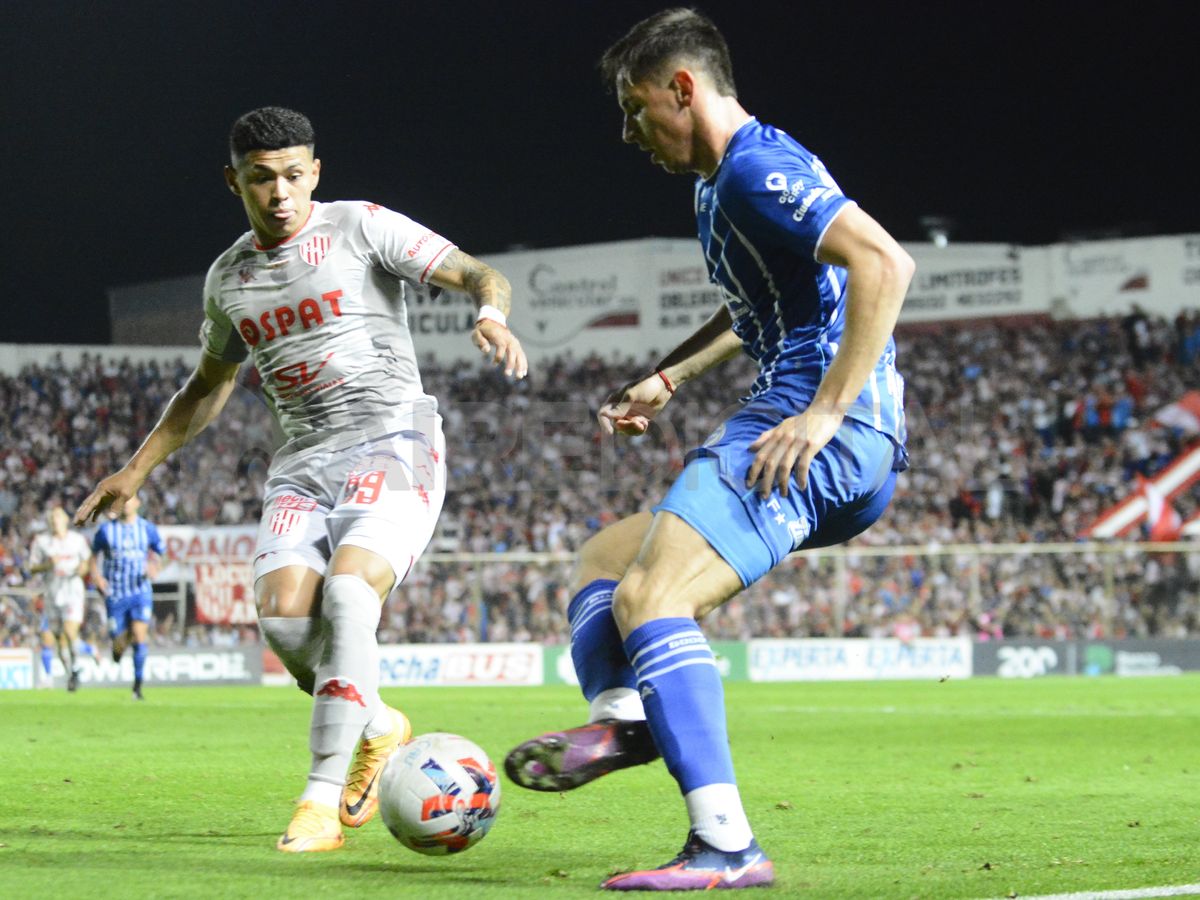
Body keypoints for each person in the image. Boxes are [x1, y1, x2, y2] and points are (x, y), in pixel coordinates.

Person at [504, 9, 913, 891]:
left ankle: (727, 845)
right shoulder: (723, 179)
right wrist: (671, 376)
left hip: (817, 428)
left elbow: (884, 263)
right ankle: (626, 721)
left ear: (681, 89)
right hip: (820, 427)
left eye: (633, 106)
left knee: (651, 598)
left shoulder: (756, 171)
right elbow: (756, 299)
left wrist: (827, 412)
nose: (628, 130)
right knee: (606, 561)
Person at [75, 106, 527, 854]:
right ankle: (378, 725)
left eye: (293, 175)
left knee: (349, 593)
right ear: (235, 182)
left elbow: (479, 271)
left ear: (314, 172)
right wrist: (135, 469)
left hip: (393, 439)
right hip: (304, 463)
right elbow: (206, 386)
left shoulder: (361, 226)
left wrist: (490, 312)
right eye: (261, 179)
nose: (280, 192)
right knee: (287, 624)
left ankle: (317, 802)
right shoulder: (230, 279)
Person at [88, 495, 164, 700]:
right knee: (119, 647)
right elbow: (93, 557)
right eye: (122, 501)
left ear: (138, 503)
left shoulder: (147, 529)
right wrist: (97, 578)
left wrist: (155, 566)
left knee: (140, 636)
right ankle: (120, 646)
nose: (126, 504)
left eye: (130, 500)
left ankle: (137, 687)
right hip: (115, 594)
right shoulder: (105, 531)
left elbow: (161, 553)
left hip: (140, 591)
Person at [28, 506, 92, 691]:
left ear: (65, 519)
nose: (54, 519)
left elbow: (87, 562)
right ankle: (72, 672)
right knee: (58, 637)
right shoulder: (41, 541)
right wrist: (48, 565)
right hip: (52, 593)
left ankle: (77, 666)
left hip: (72, 591)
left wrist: (83, 569)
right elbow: (32, 567)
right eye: (51, 517)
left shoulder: (77, 540)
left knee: (69, 631)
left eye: (57, 516)